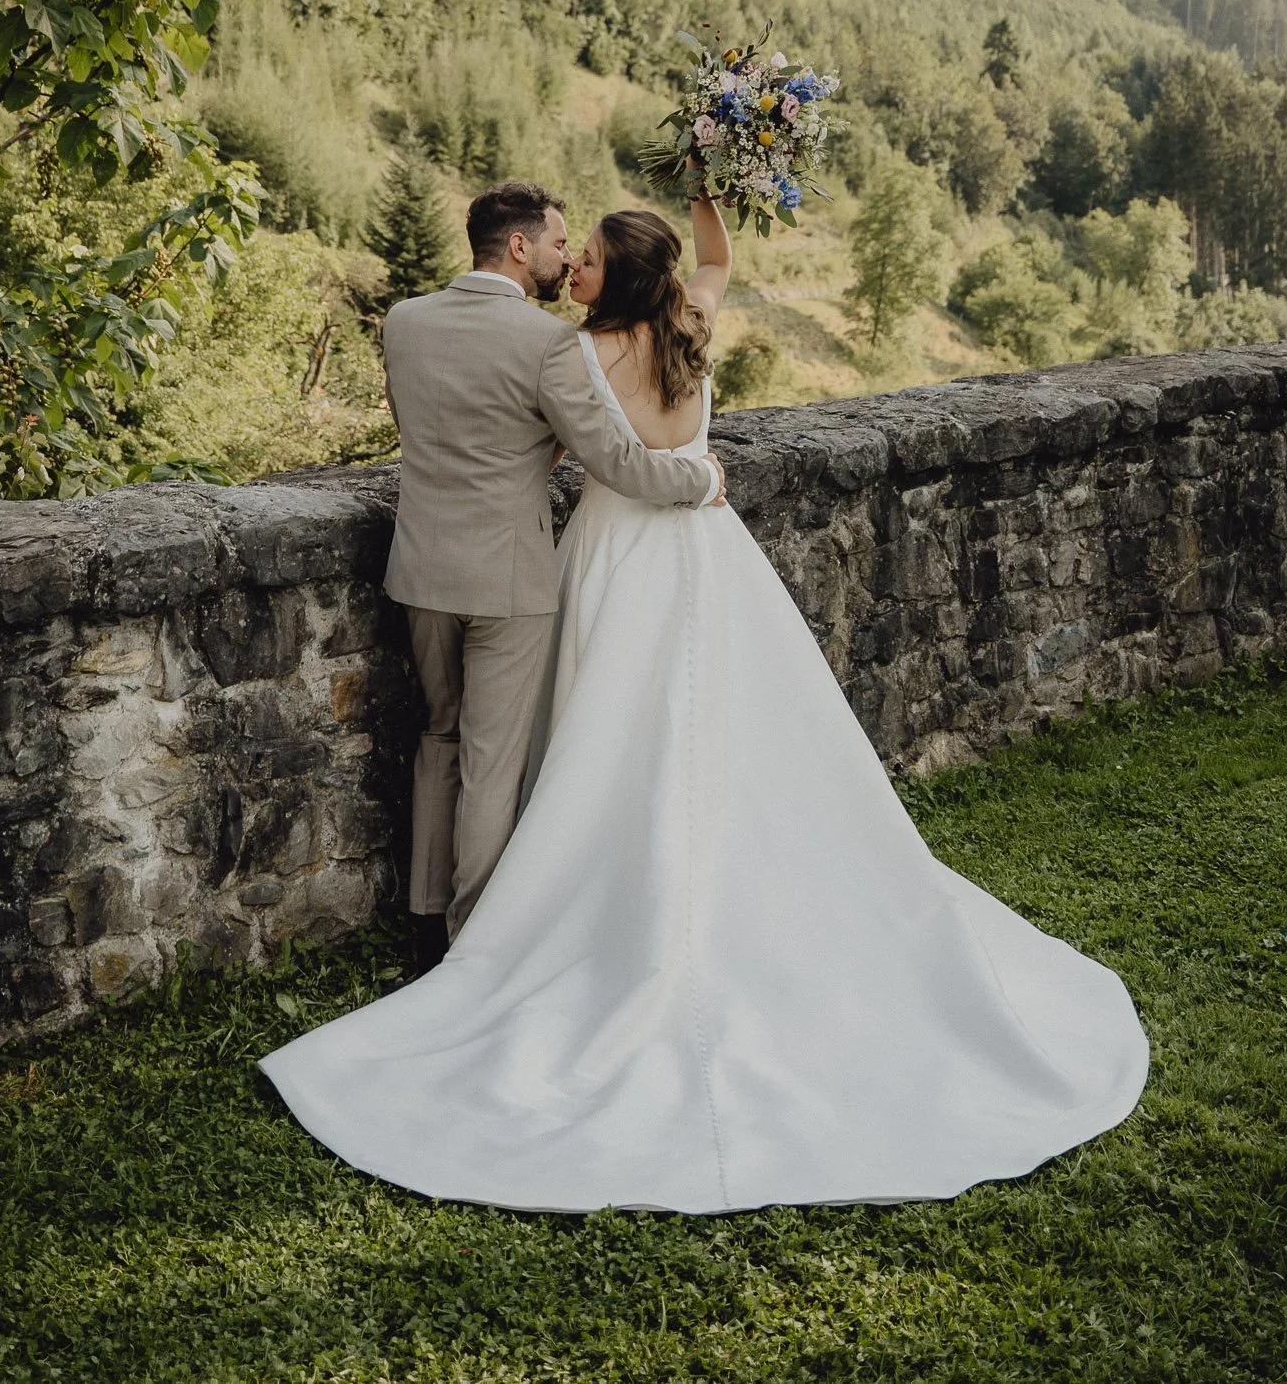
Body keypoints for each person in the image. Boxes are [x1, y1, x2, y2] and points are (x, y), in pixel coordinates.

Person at [263, 195, 1148, 1211]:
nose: (572, 261)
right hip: (687, 553)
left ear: (610, 275)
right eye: (565, 246)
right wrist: (715, 198)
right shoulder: (686, 324)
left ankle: (470, 929)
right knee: (699, 725)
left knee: (544, 736)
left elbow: (569, 450)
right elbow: (694, 309)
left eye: (587, 253)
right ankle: (550, 907)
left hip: (536, 557)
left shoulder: (535, 345)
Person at [377, 180, 724, 970]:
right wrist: (700, 479)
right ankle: (472, 943)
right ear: (521, 247)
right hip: (508, 578)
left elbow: (427, 430)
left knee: (438, 736)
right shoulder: (547, 346)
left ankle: (425, 922)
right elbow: (616, 461)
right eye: (560, 243)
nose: (567, 257)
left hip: (421, 564)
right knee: (492, 762)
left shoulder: (404, 321)